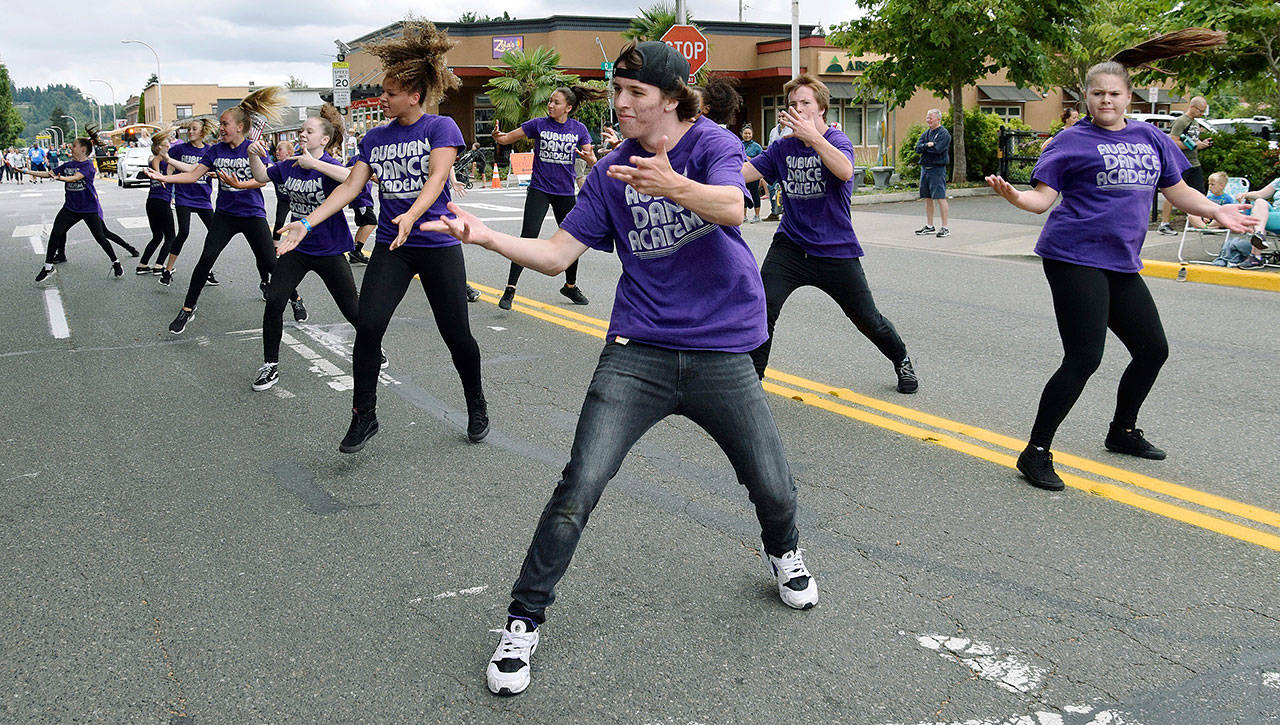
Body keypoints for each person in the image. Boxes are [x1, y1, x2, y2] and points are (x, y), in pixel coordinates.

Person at [423, 40, 818, 698]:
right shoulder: (609, 171)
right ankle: (523, 620)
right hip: (640, 349)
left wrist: (674, 184)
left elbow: (731, 207)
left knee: (772, 484)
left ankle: (784, 550)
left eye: (635, 92)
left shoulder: (711, 143)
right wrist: (485, 238)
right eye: (617, 90)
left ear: (671, 96)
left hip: (722, 349)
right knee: (580, 481)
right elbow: (555, 253)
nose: (621, 102)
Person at [984, 49, 1257, 491]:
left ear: (1129, 96)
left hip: (1121, 260)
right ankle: (1035, 452)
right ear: (1087, 97)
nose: (1105, 100)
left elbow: (1179, 189)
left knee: (1152, 350)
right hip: (1073, 256)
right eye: (1097, 94)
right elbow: (1040, 200)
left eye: (1113, 93)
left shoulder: (1152, 138)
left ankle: (1122, 431)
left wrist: (1218, 213)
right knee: (1085, 357)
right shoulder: (1069, 142)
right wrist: (1015, 197)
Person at [275, 19, 488, 452]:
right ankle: (364, 416)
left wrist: (411, 213)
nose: (383, 99)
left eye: (390, 94)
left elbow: (438, 177)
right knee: (368, 327)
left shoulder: (439, 128)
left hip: (436, 244)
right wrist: (307, 222)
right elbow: (351, 188)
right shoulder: (373, 138)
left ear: (414, 95)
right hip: (394, 246)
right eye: (383, 92)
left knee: (456, 335)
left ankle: (476, 403)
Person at [743, 74, 918, 395]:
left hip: (835, 250)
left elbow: (845, 171)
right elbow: (744, 173)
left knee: (867, 319)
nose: (798, 109)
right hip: (791, 247)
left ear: (821, 108)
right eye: (793, 104)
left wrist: (814, 138)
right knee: (762, 308)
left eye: (805, 103)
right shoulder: (782, 148)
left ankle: (902, 358)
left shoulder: (839, 142)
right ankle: (753, 381)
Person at [146, 86, 303, 335]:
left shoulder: (253, 148)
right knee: (205, 260)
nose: (221, 128)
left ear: (239, 127)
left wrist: (239, 184)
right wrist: (164, 178)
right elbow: (193, 175)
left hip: (252, 214)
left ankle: (295, 298)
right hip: (226, 216)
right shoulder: (215, 150)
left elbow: (262, 179)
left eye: (225, 123)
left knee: (269, 262)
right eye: (221, 124)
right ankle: (187, 309)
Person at [247, 106, 365, 391]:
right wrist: (252, 154)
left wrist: (316, 164)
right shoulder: (289, 165)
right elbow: (262, 176)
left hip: (329, 248)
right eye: (301, 130)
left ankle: (373, 346)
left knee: (351, 309)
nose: (302, 134)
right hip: (296, 247)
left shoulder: (328, 166)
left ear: (324, 140)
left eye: (308, 131)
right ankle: (270, 365)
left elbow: (351, 178)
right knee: (275, 300)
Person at [491, 84, 602, 309]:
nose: (550, 105)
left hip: (565, 193)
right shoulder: (538, 124)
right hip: (539, 190)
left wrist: (591, 160)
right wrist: (497, 137)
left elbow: (592, 159)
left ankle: (570, 286)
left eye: (556, 103)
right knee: (527, 237)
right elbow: (507, 139)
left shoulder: (578, 129)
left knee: (572, 239)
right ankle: (510, 289)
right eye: (550, 101)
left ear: (568, 108)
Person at [26, 127, 133, 282]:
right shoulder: (67, 165)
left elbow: (74, 178)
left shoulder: (88, 166)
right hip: (70, 208)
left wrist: (60, 178)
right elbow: (49, 173)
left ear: (83, 149)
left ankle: (116, 262)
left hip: (89, 208)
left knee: (100, 237)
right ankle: (48, 267)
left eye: (74, 145)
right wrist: (27, 172)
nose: (71, 146)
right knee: (56, 233)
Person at [156, 119, 218, 287]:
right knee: (183, 232)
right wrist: (166, 179)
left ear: (202, 132)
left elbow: (216, 170)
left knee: (215, 234)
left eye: (194, 129)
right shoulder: (179, 149)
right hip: (184, 197)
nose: (190, 131)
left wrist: (216, 174)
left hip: (203, 198)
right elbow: (169, 167)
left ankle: (206, 271)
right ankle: (167, 270)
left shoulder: (209, 151)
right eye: (189, 129)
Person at [1157, 96, 1211, 235]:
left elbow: (1192, 141)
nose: (1201, 114)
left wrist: (1201, 144)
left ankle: (1202, 223)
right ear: (1192, 107)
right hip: (1180, 163)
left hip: (1194, 163)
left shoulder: (1194, 122)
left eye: (1203, 111)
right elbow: (1173, 142)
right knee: (1173, 193)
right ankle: (1164, 224)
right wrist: (1193, 146)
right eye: (1200, 110)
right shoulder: (1181, 121)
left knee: (1200, 193)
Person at [137, 130, 176, 275]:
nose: (169, 143)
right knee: (171, 237)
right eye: (167, 142)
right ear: (160, 147)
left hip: (152, 202)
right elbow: (157, 164)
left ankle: (142, 264)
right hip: (160, 202)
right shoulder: (156, 160)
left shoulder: (166, 161)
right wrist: (161, 175)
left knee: (158, 236)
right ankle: (159, 265)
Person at [915, 108, 951, 238]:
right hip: (925, 168)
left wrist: (929, 146)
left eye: (930, 117)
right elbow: (917, 148)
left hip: (937, 169)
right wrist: (927, 145)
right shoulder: (926, 133)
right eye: (927, 117)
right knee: (928, 197)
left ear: (938, 119)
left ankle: (945, 227)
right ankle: (930, 226)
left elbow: (937, 149)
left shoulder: (944, 134)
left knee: (940, 197)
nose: (928, 120)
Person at [1232, 175, 1280, 269]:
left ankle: (1255, 256)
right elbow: (1260, 194)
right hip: (1274, 217)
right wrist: (1244, 195)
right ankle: (1259, 235)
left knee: (1257, 217)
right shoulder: (1278, 181)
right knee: (1259, 202)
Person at [742, 125, 764, 223]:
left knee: (755, 193)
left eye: (749, 133)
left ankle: (757, 215)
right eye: (745, 133)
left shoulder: (757, 146)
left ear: (752, 134)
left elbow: (762, 159)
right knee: (743, 195)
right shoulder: (738, 144)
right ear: (742, 134)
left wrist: (750, 159)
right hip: (741, 173)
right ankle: (744, 215)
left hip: (754, 173)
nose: (747, 135)